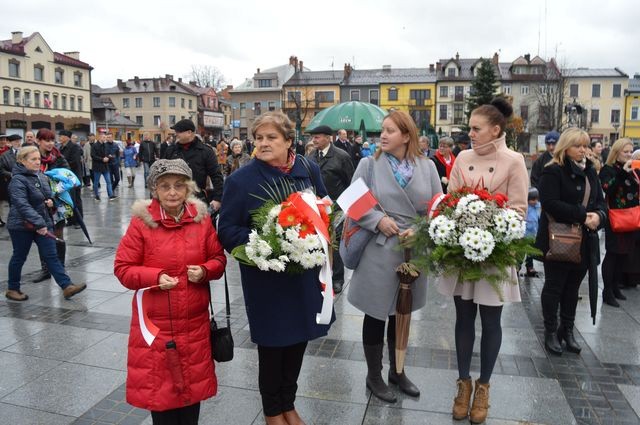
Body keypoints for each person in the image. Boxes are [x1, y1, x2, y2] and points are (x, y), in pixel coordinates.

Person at [218, 112, 334, 425]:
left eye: (271, 138)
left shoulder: (307, 169)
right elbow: (226, 229)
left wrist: (316, 230)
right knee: (272, 346)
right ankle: (272, 411)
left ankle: (289, 404)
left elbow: (325, 207)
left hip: (303, 275)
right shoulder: (241, 180)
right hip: (266, 280)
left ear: (288, 141)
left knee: (298, 340)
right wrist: (269, 241)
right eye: (259, 138)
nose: (263, 144)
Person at [114, 159, 226, 425]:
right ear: (155, 189)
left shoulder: (202, 221)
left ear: (188, 189)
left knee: (191, 397)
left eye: (178, 186)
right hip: (156, 327)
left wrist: (204, 270)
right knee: (161, 397)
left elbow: (219, 260)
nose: (172, 192)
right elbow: (123, 269)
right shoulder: (142, 224)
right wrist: (154, 277)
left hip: (194, 325)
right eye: (165, 186)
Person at [438, 98, 528, 423]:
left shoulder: (514, 161)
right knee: (463, 318)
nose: (470, 133)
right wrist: (459, 223)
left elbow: (518, 210)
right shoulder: (462, 157)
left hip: (495, 253)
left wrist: (490, 227)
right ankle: (463, 384)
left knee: (491, 323)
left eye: (476, 129)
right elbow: (452, 200)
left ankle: (483, 387)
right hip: (464, 251)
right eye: (470, 128)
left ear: (495, 129)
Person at [347, 110, 442, 403]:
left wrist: (421, 229)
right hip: (380, 249)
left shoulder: (427, 167)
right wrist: (377, 220)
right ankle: (374, 375)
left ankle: (398, 371)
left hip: (412, 252)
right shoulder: (369, 164)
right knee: (376, 313)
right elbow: (352, 199)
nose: (383, 136)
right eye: (382, 130)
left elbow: (438, 207)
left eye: (390, 131)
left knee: (401, 313)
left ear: (406, 136)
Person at [536, 127, 606, 356]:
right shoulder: (553, 171)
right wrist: (583, 215)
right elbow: (550, 203)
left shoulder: (590, 172)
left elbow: (599, 202)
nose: (583, 150)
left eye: (585, 145)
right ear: (565, 147)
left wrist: (599, 216)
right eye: (578, 146)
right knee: (555, 286)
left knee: (573, 288)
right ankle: (549, 330)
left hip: (584, 241)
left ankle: (567, 330)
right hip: (558, 239)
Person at [6, 146, 86, 301]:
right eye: (33, 159)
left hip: (43, 222)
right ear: (22, 161)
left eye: (38, 159)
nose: (37, 162)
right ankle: (12, 288)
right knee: (19, 256)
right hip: (22, 225)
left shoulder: (41, 176)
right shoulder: (17, 180)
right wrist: (39, 224)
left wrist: (52, 202)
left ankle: (67, 286)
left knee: (51, 255)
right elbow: (22, 205)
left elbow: (50, 196)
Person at [307, 124, 355, 294]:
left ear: (328, 138)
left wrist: (347, 208)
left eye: (318, 137)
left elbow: (351, 182)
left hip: (337, 208)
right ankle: (320, 276)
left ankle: (337, 279)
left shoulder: (342, 156)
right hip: (317, 207)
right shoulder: (311, 156)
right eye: (313, 137)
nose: (314, 140)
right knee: (318, 242)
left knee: (334, 245)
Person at [599, 138, 638, 307]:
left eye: (631, 151)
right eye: (626, 151)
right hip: (615, 217)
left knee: (624, 254)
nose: (629, 155)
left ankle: (615, 287)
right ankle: (607, 291)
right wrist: (623, 171)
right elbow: (609, 188)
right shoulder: (608, 169)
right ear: (617, 152)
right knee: (613, 254)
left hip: (631, 218)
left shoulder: (633, 170)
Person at [32, 129, 71, 283]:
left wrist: (53, 190)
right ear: (38, 140)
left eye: (51, 140)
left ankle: (60, 267)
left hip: (57, 202)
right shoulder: (32, 157)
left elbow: (68, 177)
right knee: (43, 235)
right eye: (46, 140)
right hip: (39, 202)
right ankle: (46, 269)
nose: (49, 143)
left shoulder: (58, 157)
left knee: (58, 235)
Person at [163, 119, 224, 213]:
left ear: (189, 132)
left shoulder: (205, 151)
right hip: (173, 199)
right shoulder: (170, 151)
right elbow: (161, 175)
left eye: (179, 131)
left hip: (197, 199)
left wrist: (218, 199)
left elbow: (216, 176)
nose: (176, 134)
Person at [59, 130, 83, 227]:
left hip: (73, 177)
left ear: (67, 137)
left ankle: (78, 221)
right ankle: (70, 220)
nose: (59, 138)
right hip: (64, 177)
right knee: (67, 199)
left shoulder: (75, 147)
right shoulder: (61, 148)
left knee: (76, 199)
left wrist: (62, 166)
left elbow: (74, 162)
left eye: (61, 136)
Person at [0, 134, 24, 226]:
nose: (18, 143)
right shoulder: (4, 155)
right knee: (12, 203)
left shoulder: (25, 153)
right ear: (10, 143)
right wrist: (11, 174)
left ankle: (23, 220)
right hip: (11, 183)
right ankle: (15, 222)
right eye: (16, 141)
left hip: (24, 182)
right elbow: (1, 170)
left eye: (19, 141)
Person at [91, 133, 116, 201]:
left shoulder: (105, 145)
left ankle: (111, 195)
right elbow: (93, 156)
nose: (105, 139)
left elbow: (107, 154)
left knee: (108, 181)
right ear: (100, 137)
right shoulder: (94, 145)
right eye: (104, 137)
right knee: (96, 182)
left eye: (105, 137)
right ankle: (96, 195)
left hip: (105, 166)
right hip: (97, 166)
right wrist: (102, 159)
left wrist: (109, 157)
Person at [523, 187, 541, 277]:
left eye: (537, 199)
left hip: (533, 233)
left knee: (530, 252)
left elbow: (539, 217)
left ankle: (529, 267)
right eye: (532, 199)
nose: (535, 201)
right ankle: (517, 266)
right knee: (521, 252)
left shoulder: (537, 207)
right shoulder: (526, 208)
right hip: (525, 234)